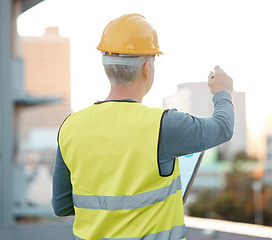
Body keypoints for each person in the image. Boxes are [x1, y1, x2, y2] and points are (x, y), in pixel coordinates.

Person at [52, 13, 234, 240]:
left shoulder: (70, 127)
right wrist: (222, 92)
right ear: (147, 67)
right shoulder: (165, 125)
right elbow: (223, 127)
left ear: (106, 67)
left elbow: (61, 206)